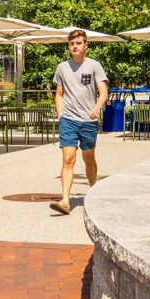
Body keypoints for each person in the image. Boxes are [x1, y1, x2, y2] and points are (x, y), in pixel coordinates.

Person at [51, 28, 108, 215]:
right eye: (72, 44)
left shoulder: (94, 66)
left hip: (88, 121)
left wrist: (98, 105)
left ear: (86, 45)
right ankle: (65, 200)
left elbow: (103, 91)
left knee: (88, 159)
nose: (75, 47)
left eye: (78, 43)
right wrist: (60, 115)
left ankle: (94, 191)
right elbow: (59, 94)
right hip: (68, 120)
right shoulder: (62, 68)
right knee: (68, 159)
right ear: (69, 46)